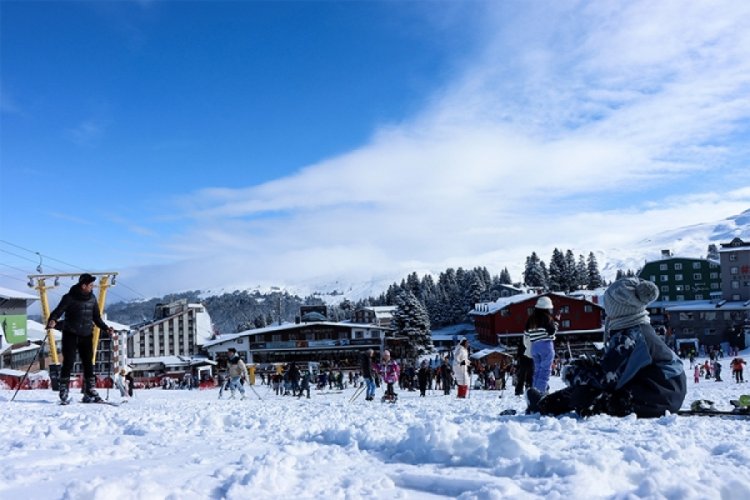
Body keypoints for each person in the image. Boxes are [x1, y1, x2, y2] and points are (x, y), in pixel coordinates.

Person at [528, 277, 687, 418]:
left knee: (587, 396)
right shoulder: (635, 329)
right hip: (661, 391)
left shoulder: (630, 337)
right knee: (589, 389)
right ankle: (546, 402)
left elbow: (608, 380)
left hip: (657, 396)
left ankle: (545, 405)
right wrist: (592, 367)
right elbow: (614, 370)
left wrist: (575, 373)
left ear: (617, 308)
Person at [46, 273, 114, 404]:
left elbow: (96, 317)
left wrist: (106, 328)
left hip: (87, 334)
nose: (92, 287)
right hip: (70, 334)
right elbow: (58, 311)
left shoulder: (92, 298)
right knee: (69, 362)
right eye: (90, 285)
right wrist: (53, 320)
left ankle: (89, 390)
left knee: (88, 362)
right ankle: (64, 389)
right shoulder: (69, 297)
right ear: (83, 285)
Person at [524, 296, 558, 396]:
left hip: (534, 346)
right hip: (546, 346)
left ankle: (534, 393)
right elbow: (552, 333)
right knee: (545, 372)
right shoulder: (547, 318)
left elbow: (526, 333)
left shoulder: (531, 319)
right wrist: (556, 323)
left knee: (537, 371)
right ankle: (540, 394)